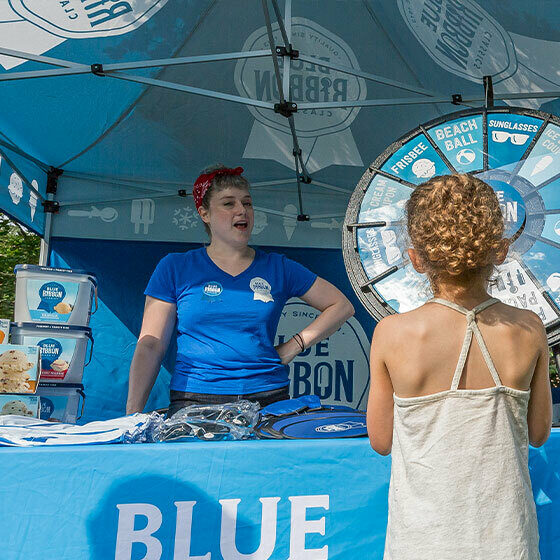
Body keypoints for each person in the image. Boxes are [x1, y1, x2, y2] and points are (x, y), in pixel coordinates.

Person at [367, 174, 552, 559]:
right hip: (506, 539)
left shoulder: (392, 333)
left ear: (415, 258)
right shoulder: (528, 327)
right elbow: (537, 434)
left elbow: (381, 441)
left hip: (422, 540)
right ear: (499, 250)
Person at [126, 164, 354, 416]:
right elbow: (151, 345)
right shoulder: (175, 267)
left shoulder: (278, 267)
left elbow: (341, 305)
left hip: (268, 397)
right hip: (195, 399)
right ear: (204, 213)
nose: (241, 210)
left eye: (247, 203)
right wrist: (131, 414)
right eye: (228, 203)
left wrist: (294, 345)